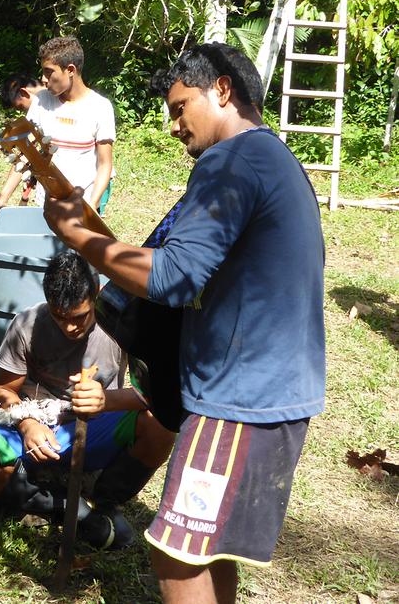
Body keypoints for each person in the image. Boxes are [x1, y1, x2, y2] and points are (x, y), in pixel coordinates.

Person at [43, 43, 325, 603]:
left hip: (238, 399)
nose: (173, 126)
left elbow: (175, 276)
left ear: (222, 90)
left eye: (180, 107)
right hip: (273, 391)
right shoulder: (275, 160)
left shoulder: (232, 162)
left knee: (175, 552)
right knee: (205, 548)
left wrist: (79, 236)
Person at [0, 251, 174, 548]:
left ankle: (106, 500)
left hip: (96, 424)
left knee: (160, 427)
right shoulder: (28, 324)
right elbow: (4, 390)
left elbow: (156, 395)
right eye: (60, 317)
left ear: (96, 294)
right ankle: (64, 509)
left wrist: (106, 401)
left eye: (80, 317)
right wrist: (27, 422)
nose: (71, 327)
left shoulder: (123, 325)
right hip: (38, 422)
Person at [0, 36, 116, 220]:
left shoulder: (100, 107)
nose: (43, 79)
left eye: (49, 72)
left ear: (70, 70)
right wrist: (3, 196)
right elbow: (26, 153)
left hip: (80, 208)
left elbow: (105, 164)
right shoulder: (41, 102)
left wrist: (92, 205)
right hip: (45, 206)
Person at [0, 74, 45, 212]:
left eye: (21, 108)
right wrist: (3, 198)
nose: (25, 113)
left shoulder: (39, 108)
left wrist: (3, 197)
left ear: (24, 93)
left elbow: (25, 154)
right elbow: (26, 155)